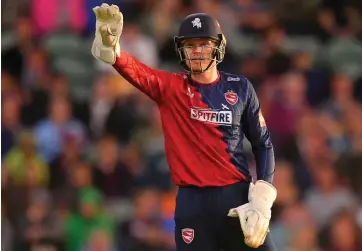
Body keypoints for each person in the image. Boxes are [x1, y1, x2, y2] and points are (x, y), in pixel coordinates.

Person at [91, 4, 277, 251]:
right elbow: (138, 72)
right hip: (193, 203)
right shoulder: (172, 88)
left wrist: (263, 194)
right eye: (190, 46)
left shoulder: (240, 87)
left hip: (237, 199)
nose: (197, 51)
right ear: (181, 50)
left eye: (204, 44)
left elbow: (262, 143)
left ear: (218, 46)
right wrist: (113, 51)